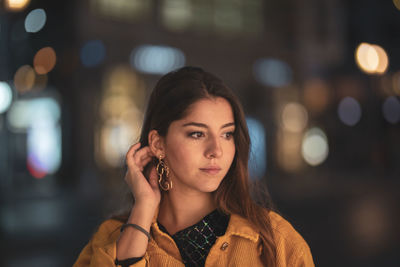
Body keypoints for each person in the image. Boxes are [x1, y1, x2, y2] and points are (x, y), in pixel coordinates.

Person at [73, 66, 314, 267]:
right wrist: (144, 207)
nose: (216, 151)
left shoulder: (275, 241)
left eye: (227, 134)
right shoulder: (111, 239)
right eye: (197, 134)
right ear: (158, 144)